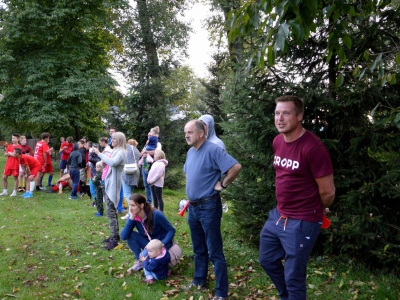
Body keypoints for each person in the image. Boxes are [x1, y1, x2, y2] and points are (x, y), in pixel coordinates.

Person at [259, 95, 335, 300]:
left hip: (302, 220)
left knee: (294, 276)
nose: (279, 118)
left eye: (286, 113)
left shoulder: (313, 148)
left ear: (299, 116)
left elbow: (328, 192)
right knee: (266, 260)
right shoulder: (277, 141)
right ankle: (287, 296)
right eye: (277, 113)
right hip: (278, 215)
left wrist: (317, 209)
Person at [183, 120, 242, 300]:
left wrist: (223, 184)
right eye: (185, 132)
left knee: (214, 250)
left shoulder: (213, 149)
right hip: (193, 207)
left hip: (209, 206)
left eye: (190, 132)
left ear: (202, 133)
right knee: (199, 248)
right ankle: (199, 281)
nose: (186, 135)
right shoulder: (190, 152)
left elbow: (235, 166)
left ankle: (221, 292)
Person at [120, 193, 175, 272]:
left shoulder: (156, 214)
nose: (130, 208)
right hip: (149, 242)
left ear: (141, 205)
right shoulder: (134, 216)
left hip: (160, 243)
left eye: (133, 205)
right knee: (130, 235)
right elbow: (123, 236)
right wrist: (131, 218)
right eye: (129, 205)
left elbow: (171, 230)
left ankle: (145, 260)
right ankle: (140, 262)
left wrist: (163, 243)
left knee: (145, 254)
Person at [93, 131, 127, 250]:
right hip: (108, 183)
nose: (112, 141)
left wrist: (99, 154)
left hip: (113, 185)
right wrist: (102, 162)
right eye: (111, 139)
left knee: (111, 212)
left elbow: (112, 163)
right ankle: (114, 236)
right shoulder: (115, 151)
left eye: (114, 139)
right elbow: (108, 163)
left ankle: (114, 240)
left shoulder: (121, 152)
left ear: (120, 140)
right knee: (109, 211)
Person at [140, 129, 162, 204]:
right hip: (144, 165)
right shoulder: (147, 145)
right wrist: (144, 153)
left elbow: (156, 152)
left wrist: (146, 152)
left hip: (153, 166)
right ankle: (149, 201)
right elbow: (140, 153)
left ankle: (155, 201)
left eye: (150, 135)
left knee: (152, 184)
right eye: (148, 135)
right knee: (146, 184)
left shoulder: (157, 143)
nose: (149, 137)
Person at [121, 139, 141, 219]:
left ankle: (134, 211)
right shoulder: (136, 150)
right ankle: (130, 214)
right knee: (131, 194)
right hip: (135, 172)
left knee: (127, 194)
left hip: (127, 172)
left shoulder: (127, 148)